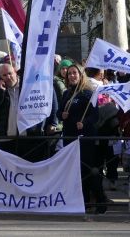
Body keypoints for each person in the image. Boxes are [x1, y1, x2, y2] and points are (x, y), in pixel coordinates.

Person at [57, 63, 106, 213]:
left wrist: (84, 123)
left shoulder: (88, 93)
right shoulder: (66, 93)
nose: (72, 76)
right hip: (69, 137)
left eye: (75, 73)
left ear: (80, 75)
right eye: (69, 73)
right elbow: (59, 113)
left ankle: (100, 202)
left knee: (89, 170)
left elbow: (95, 115)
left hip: (85, 138)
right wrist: (62, 115)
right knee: (74, 171)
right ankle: (82, 202)